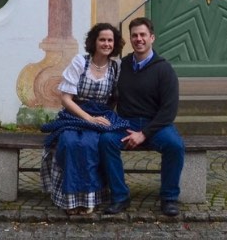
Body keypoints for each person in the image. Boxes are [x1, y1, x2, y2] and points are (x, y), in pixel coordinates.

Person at [40, 22, 130, 214]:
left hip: (102, 116)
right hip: (75, 113)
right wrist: (88, 119)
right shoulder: (80, 62)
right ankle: (70, 201)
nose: (106, 44)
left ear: (115, 44)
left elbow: (116, 98)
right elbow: (65, 99)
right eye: (102, 40)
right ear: (94, 42)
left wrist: (102, 118)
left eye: (110, 40)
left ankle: (88, 200)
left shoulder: (116, 67)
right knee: (69, 142)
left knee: (91, 145)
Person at [99, 16, 185, 217]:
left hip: (156, 125)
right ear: (130, 39)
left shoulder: (164, 69)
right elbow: (111, 96)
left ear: (152, 37)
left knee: (175, 145)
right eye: (135, 35)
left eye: (143, 35)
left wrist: (143, 134)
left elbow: (169, 111)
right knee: (105, 141)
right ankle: (120, 197)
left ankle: (169, 198)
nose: (139, 39)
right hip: (125, 123)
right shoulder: (122, 66)